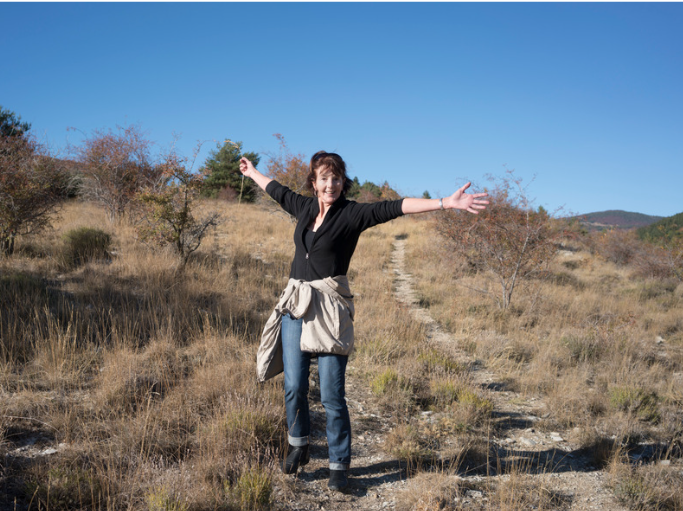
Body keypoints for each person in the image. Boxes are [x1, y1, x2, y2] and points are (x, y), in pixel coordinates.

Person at [239, 152, 488, 491]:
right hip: (297, 304)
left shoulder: (353, 213)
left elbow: (394, 207)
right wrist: (253, 172)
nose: (331, 184)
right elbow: (277, 190)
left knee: (331, 394)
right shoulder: (303, 208)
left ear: (344, 182)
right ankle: (298, 445)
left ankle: (339, 465)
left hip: (330, 309)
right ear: (314, 183)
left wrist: (445, 202)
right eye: (325, 178)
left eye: (337, 178)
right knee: (294, 385)